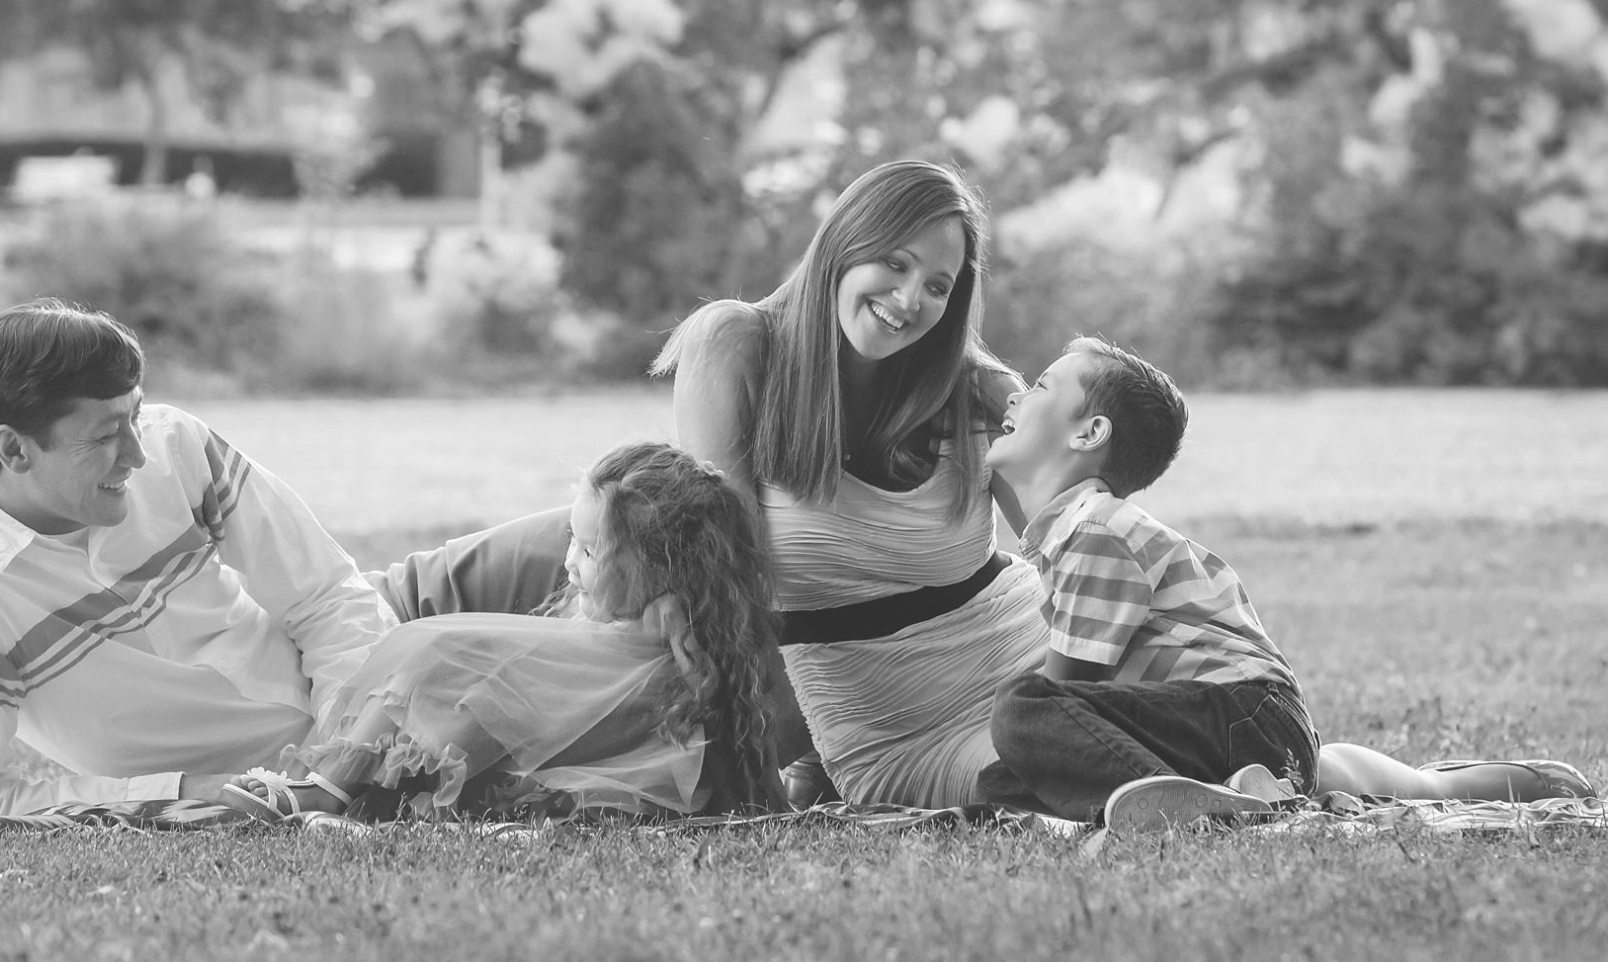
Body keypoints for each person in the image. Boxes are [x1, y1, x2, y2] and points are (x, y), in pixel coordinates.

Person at [976, 335, 1596, 830]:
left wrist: (1028, 729)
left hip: (1238, 713)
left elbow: (1064, 692)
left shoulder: (1096, 533)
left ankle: (1187, 813)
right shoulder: (1073, 529)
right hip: (1252, 728)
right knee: (1000, 784)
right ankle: (1220, 798)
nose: (1015, 397)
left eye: (1038, 387)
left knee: (1025, 711)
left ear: (1089, 434)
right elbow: (1028, 519)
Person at [0, 299, 397, 815]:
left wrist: (346, 749)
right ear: (14, 451)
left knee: (483, 567)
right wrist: (179, 790)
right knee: (467, 651)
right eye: (107, 434)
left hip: (373, 644)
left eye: (134, 416)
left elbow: (326, 594)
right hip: (346, 709)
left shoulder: (174, 446)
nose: (138, 453)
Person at [653, 159, 1048, 808]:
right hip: (821, 692)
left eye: (937, 284)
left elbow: (1073, 542)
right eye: (895, 263)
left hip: (999, 664)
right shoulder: (736, 344)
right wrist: (759, 764)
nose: (909, 297)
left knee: (1049, 779)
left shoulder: (979, 393)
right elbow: (726, 579)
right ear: (843, 243)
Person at [225, 443, 785, 820]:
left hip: (607, 743)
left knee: (442, 652)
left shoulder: (677, 627)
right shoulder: (607, 614)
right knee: (438, 654)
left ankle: (329, 791)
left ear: (663, 568)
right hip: (560, 731)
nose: (569, 562)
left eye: (590, 551)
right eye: (572, 538)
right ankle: (337, 789)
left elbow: (725, 717)